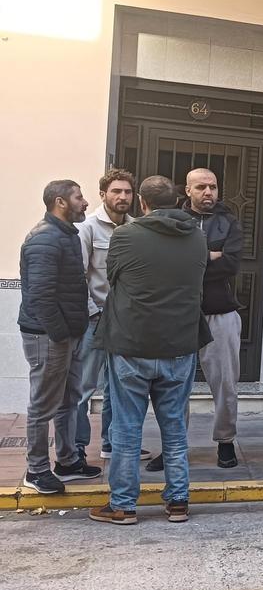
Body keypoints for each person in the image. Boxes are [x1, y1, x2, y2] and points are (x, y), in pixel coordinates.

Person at [89, 175, 211, 525]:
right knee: (174, 426)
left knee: (126, 428)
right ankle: (178, 502)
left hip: (132, 343)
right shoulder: (198, 237)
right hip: (179, 345)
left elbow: (113, 278)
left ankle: (124, 505)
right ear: (176, 200)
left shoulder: (125, 236)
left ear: (142, 202)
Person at [150, 168, 243, 471]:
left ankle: (226, 442)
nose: (208, 193)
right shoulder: (172, 220)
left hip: (221, 312)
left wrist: (194, 259)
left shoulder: (229, 221)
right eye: (201, 187)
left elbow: (230, 264)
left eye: (213, 187)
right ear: (186, 190)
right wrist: (209, 254)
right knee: (175, 385)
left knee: (225, 382)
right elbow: (167, 262)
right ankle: (173, 446)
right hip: (181, 314)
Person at [18, 180, 98, 494]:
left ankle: (67, 461)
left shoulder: (64, 235)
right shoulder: (45, 239)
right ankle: (36, 470)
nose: (86, 202)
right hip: (48, 337)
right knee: (43, 405)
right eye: (79, 197)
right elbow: (40, 295)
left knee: (68, 400)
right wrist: (61, 334)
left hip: (67, 334)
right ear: (61, 202)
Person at [75, 169, 149, 462]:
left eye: (128, 192)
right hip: (95, 319)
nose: (123, 197)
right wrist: (93, 314)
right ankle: (76, 450)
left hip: (125, 322)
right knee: (83, 388)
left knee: (118, 388)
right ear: (103, 194)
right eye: (116, 191)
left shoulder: (137, 228)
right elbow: (79, 276)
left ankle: (111, 443)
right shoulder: (88, 228)